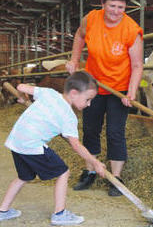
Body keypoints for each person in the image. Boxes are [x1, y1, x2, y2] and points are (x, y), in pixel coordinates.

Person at [66, 0, 143, 196]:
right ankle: (90, 170)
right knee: (90, 128)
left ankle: (116, 177)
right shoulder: (91, 19)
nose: (116, 12)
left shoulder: (131, 30)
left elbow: (137, 65)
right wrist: (74, 60)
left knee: (115, 132)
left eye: (121, 7)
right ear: (102, 3)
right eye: (112, 6)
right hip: (93, 85)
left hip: (119, 88)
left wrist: (132, 92)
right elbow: (80, 36)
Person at [0, 71, 106, 225]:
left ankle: (3, 211)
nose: (89, 104)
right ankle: (60, 214)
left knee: (24, 176)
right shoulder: (69, 117)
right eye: (88, 99)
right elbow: (76, 145)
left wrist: (25, 98)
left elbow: (21, 86)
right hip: (32, 144)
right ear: (74, 93)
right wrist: (95, 163)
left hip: (17, 141)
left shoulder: (49, 93)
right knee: (64, 172)